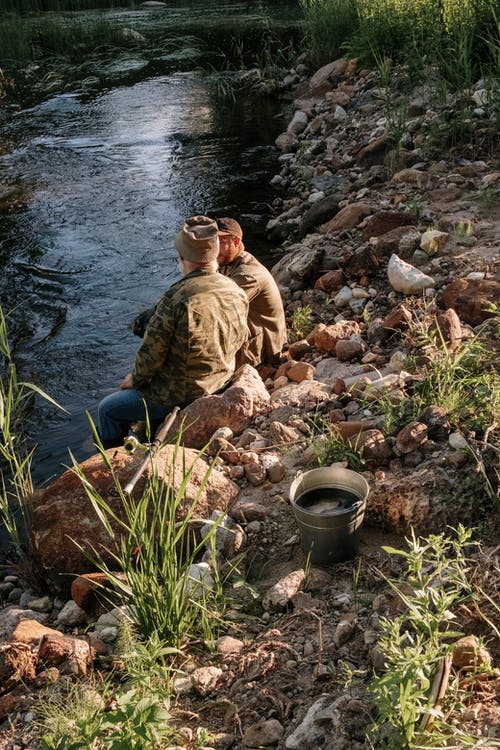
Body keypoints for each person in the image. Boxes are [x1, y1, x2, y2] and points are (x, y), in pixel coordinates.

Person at [97, 215, 249, 448]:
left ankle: (111, 457)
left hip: (182, 393)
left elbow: (151, 355)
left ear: (181, 257)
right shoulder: (236, 290)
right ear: (214, 255)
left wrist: (135, 379)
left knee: (107, 410)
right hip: (221, 379)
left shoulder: (176, 298)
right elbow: (240, 339)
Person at [216, 217, 287, 370]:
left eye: (220, 242)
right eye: (212, 242)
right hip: (253, 334)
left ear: (236, 242)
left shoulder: (248, 275)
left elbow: (217, 307)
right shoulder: (228, 262)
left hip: (266, 348)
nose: (214, 249)